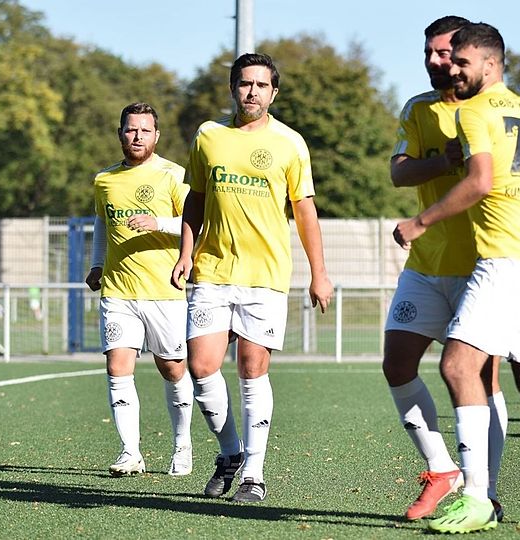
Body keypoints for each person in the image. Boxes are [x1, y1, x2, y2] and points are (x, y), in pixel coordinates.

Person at [394, 23, 520, 532]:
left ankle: (478, 498)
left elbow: (479, 182)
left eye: (461, 62)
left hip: (501, 260)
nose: (452, 70)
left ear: (489, 64)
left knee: (460, 368)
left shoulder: (477, 111)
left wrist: (419, 222)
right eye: (448, 60)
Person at [171, 53, 333, 503]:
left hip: (265, 275)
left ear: (274, 93)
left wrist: (320, 273)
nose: (252, 92)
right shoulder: (209, 135)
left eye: (262, 85)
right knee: (201, 367)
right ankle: (230, 453)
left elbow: (305, 213)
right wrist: (186, 254)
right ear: (232, 88)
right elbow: (195, 201)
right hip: (211, 269)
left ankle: (253, 476)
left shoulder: (290, 143)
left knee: (251, 368)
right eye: (245, 84)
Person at [386, 15, 508, 523]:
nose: (437, 62)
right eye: (431, 53)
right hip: (426, 263)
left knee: (485, 377)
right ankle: (442, 469)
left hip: (482, 264)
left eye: (446, 54)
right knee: (397, 364)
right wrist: (445, 161)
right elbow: (398, 170)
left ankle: (488, 492)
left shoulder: (497, 111)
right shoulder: (419, 108)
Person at [84, 102, 195, 477]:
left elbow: (194, 222)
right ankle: (130, 452)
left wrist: (158, 222)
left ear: (156, 135)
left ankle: (182, 445)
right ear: (120, 134)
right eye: (131, 130)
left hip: (165, 290)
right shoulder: (104, 180)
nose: (137, 136)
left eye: (145, 130)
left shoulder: (173, 175)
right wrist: (98, 264)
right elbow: (102, 224)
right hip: (118, 291)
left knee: (173, 369)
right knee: (117, 367)